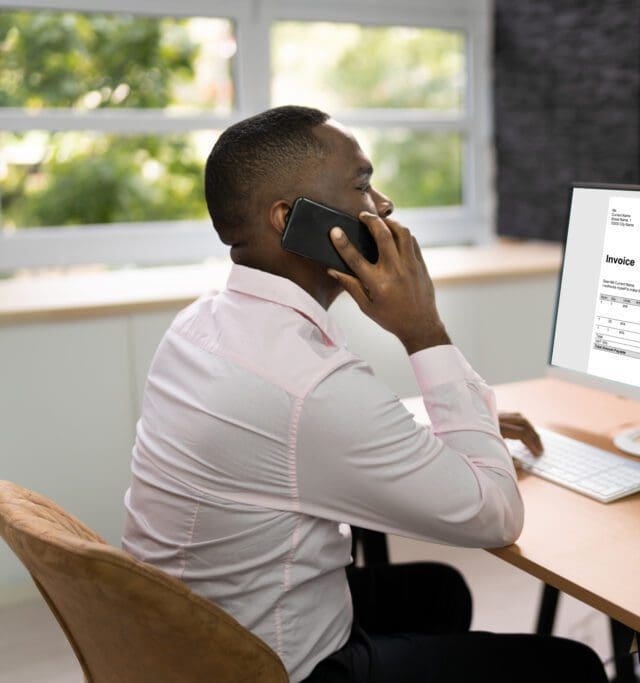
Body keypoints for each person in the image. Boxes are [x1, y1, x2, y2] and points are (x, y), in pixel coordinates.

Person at [121, 105, 608, 683]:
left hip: (186, 638)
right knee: (569, 667)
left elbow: (288, 443)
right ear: (289, 218)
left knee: (438, 592)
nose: (383, 206)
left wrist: (445, 429)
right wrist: (423, 328)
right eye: (361, 185)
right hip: (266, 667)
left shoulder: (198, 326)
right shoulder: (309, 385)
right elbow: (495, 516)